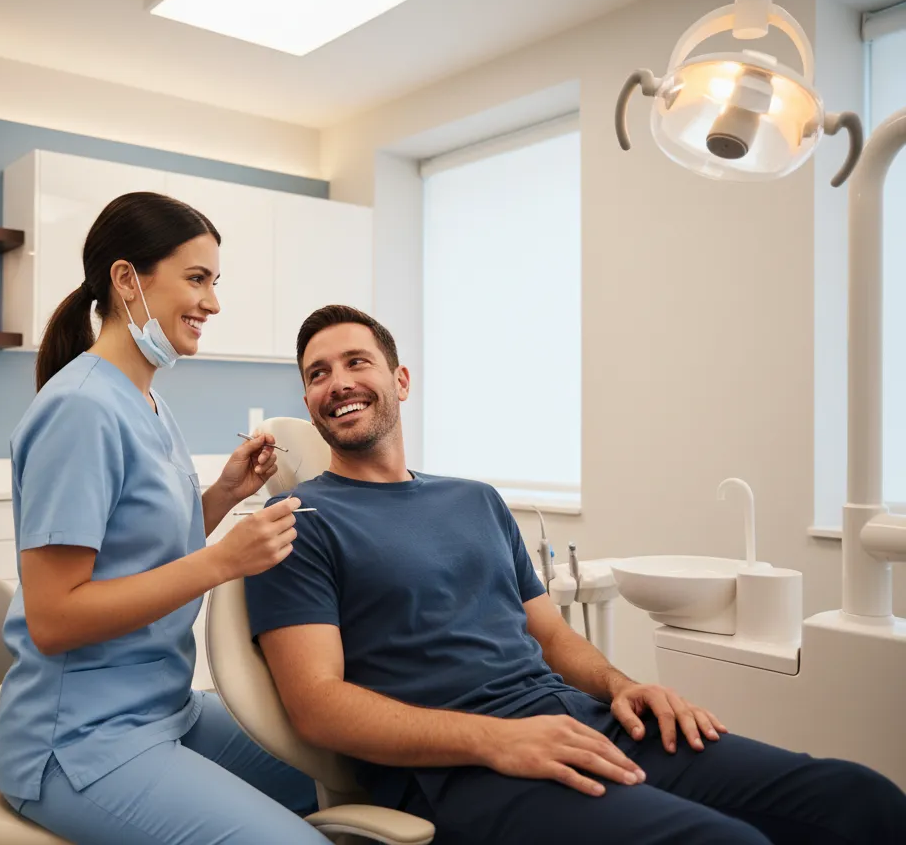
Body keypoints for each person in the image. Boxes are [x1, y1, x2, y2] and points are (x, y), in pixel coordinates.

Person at [245, 304, 906, 845]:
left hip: (582, 720)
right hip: (464, 766)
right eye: (318, 374)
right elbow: (317, 706)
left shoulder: (475, 499)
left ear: (401, 380)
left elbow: (554, 640)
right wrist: (496, 740)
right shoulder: (297, 521)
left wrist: (624, 686)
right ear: (309, 402)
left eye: (356, 362)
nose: (338, 383)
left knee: (860, 801)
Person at [0, 192, 330, 845]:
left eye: (215, 281)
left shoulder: (147, 403)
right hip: (79, 740)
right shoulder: (81, 410)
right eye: (197, 279)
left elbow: (138, 552)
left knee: (340, 776)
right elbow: (55, 618)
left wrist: (223, 496)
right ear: (127, 280)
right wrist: (223, 561)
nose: (213, 302)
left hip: (163, 710)